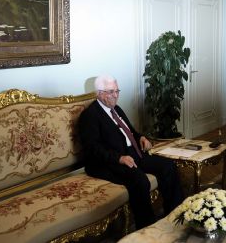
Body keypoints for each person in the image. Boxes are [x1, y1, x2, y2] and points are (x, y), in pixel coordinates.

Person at [78, 75, 184, 229]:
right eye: (110, 92)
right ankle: (147, 228)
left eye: (117, 91)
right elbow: (93, 149)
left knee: (168, 166)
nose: (115, 95)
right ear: (99, 93)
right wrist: (119, 158)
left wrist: (141, 137)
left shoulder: (116, 109)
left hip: (133, 154)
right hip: (108, 162)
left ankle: (175, 215)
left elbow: (130, 131)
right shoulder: (90, 116)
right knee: (140, 180)